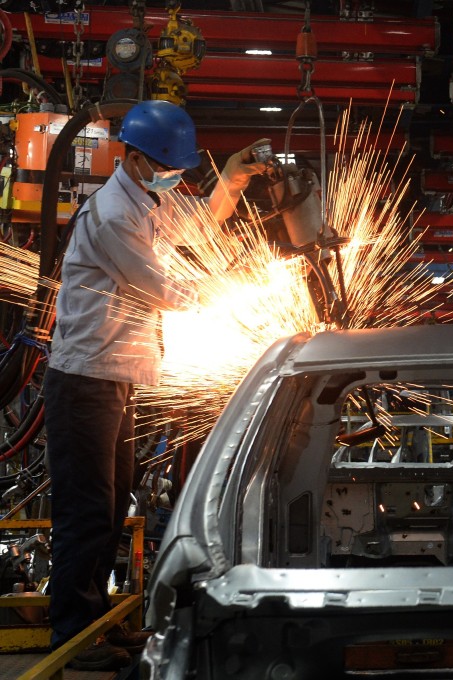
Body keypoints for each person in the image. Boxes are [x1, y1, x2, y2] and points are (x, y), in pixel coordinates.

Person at [44, 100, 267, 670]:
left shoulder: (148, 199)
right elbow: (162, 286)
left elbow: (200, 222)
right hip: (85, 380)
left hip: (115, 377)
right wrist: (238, 292)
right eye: (169, 166)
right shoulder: (114, 213)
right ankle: (72, 634)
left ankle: (94, 625)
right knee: (87, 511)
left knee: (113, 506)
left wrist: (233, 178)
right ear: (137, 158)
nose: (176, 175)